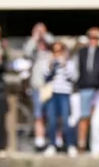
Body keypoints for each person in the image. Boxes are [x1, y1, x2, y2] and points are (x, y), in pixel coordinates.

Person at [73, 27, 99, 152]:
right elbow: (75, 70)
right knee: (84, 117)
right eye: (91, 37)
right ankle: (81, 144)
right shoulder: (81, 52)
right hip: (85, 88)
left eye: (96, 38)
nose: (93, 40)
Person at [42, 41, 78, 155]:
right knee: (52, 121)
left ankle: (70, 145)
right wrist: (51, 65)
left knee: (66, 121)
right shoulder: (48, 62)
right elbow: (45, 76)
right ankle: (52, 144)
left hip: (65, 93)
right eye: (55, 51)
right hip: (52, 93)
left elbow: (73, 77)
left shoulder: (70, 63)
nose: (57, 53)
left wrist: (65, 64)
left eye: (60, 51)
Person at [24, 23, 53, 151]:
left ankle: (53, 139)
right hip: (37, 85)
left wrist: (44, 35)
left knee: (51, 114)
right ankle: (39, 140)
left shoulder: (51, 50)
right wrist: (35, 37)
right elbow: (26, 52)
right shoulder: (34, 52)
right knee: (38, 114)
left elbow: (54, 44)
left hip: (50, 87)